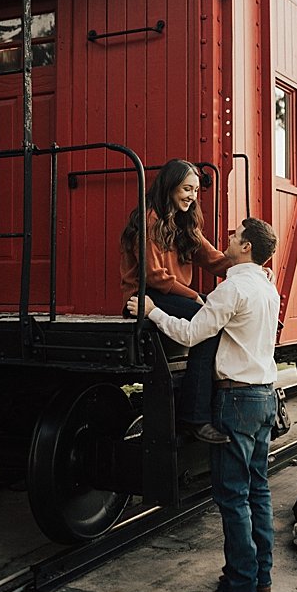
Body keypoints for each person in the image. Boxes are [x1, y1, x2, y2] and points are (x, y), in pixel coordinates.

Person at [127, 217, 281, 592]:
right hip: (265, 396)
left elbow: (192, 334)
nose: (228, 238)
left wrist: (151, 312)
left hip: (238, 400)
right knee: (258, 490)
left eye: (235, 236)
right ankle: (260, 575)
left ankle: (239, 587)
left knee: (232, 496)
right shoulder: (266, 287)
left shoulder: (232, 289)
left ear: (246, 247)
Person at [120, 159, 230, 443]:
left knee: (221, 317)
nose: (192, 196)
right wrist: (195, 297)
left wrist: (251, 266)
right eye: (186, 189)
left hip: (174, 295)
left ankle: (214, 406)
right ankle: (195, 417)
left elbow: (214, 259)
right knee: (209, 325)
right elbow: (155, 277)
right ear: (170, 187)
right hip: (144, 296)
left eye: (195, 190)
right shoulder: (148, 220)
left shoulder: (184, 223)